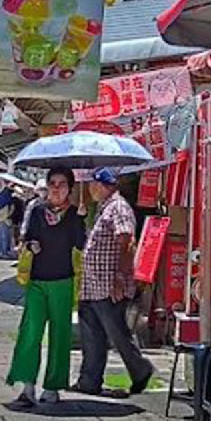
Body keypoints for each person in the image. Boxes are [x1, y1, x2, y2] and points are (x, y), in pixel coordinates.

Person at [7, 167, 84, 407]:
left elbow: (81, 244)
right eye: (53, 183)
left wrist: (81, 220)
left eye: (62, 184)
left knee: (60, 335)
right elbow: (27, 238)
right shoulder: (37, 211)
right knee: (30, 332)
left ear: (70, 189)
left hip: (63, 280)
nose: (56, 188)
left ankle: (52, 386)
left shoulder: (74, 215)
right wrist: (31, 245)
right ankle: (27, 386)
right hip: (38, 280)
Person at [74, 169, 153, 397]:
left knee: (117, 332)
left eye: (92, 184)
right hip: (92, 286)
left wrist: (119, 277)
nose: (90, 189)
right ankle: (89, 380)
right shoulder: (103, 208)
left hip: (108, 286)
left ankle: (140, 369)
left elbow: (126, 241)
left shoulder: (118, 207)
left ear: (102, 185)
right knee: (92, 334)